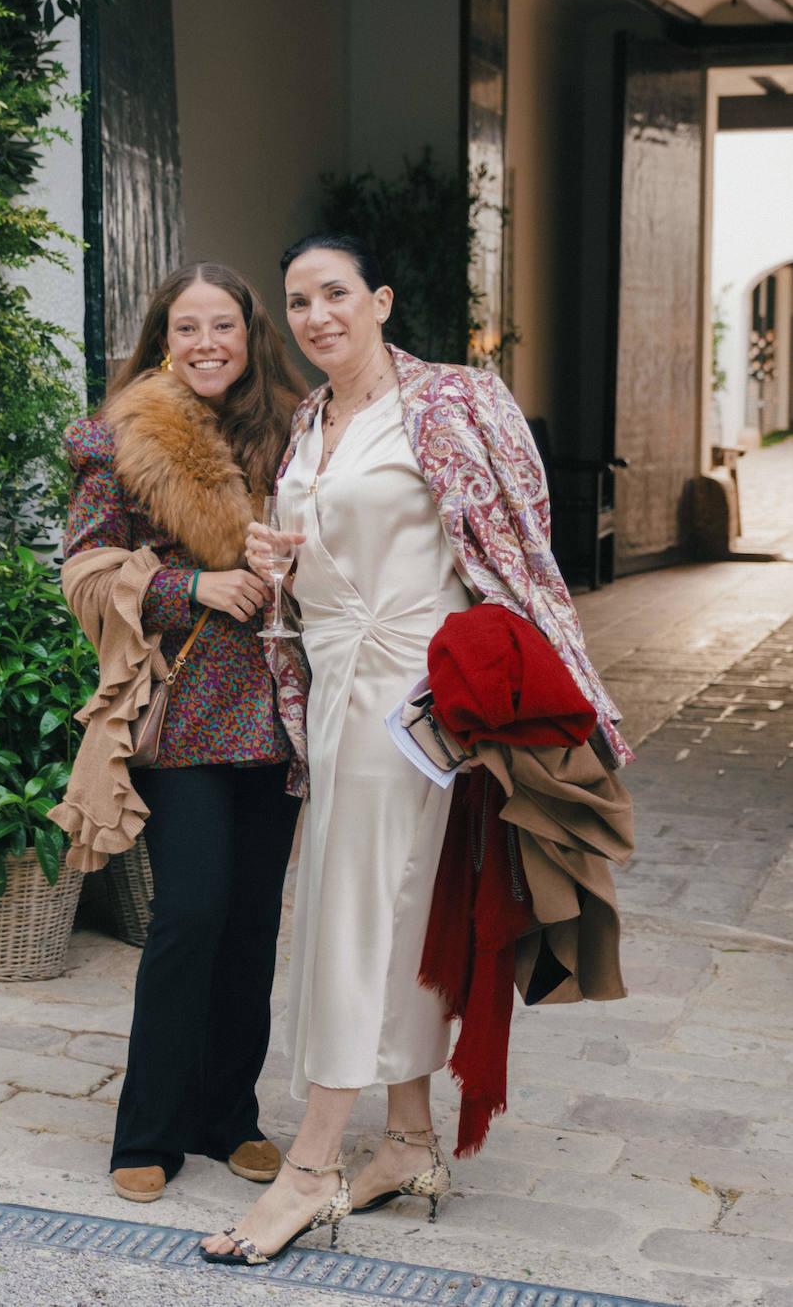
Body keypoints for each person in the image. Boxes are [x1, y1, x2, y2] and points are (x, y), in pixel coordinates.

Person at [200, 234, 633, 1265]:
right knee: (392, 909)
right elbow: (320, 546)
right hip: (336, 684)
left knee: (358, 910)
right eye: (298, 302)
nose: (316, 317)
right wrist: (275, 550)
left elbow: (517, 543)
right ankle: (404, 1140)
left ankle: (308, 1167)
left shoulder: (452, 402)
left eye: (335, 294)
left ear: (380, 299)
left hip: (417, 695)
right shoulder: (307, 421)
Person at [51, 262, 307, 1204]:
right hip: (187, 713)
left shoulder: (300, 432)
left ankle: (227, 1116)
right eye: (187, 327)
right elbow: (82, 571)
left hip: (280, 715)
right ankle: (148, 1128)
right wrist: (188, 583)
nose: (207, 344)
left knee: (250, 926)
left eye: (224, 327)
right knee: (189, 915)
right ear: (164, 336)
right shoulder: (118, 436)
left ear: (250, 336)